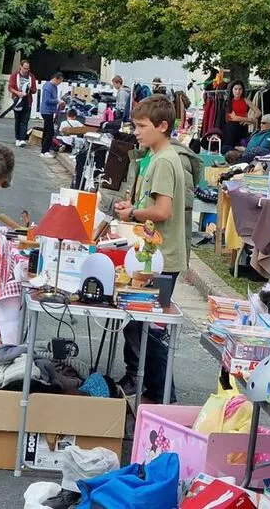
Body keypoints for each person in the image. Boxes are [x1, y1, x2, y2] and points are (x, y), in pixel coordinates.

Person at [114, 94, 185, 404]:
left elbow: (163, 211)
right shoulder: (156, 158)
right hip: (152, 255)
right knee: (137, 325)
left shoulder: (165, 160)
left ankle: (162, 395)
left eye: (142, 126)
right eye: (135, 126)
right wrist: (135, 207)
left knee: (148, 330)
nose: (137, 132)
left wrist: (132, 214)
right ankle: (143, 384)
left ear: (163, 126)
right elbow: (152, 205)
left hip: (160, 258)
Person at [222, 80, 261, 153]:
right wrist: (249, 119)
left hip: (243, 128)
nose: (238, 91)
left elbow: (258, 112)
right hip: (231, 129)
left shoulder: (246, 100)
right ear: (232, 90)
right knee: (230, 149)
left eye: (240, 89)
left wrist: (248, 120)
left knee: (242, 148)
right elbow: (232, 118)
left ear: (243, 90)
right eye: (236, 89)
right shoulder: (228, 101)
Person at [8, 60, 37, 147]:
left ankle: (22, 139)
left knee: (25, 120)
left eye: (28, 69)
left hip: (27, 101)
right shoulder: (15, 75)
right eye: (24, 68)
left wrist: (29, 90)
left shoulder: (31, 76)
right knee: (18, 120)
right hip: (17, 100)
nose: (26, 70)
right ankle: (17, 138)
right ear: (20, 66)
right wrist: (18, 93)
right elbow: (10, 87)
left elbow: (34, 90)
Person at [40, 73, 65, 158]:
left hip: (50, 111)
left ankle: (44, 149)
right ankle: (45, 150)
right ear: (56, 79)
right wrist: (57, 101)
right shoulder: (48, 87)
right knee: (50, 132)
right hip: (46, 111)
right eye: (59, 81)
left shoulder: (54, 87)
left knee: (46, 130)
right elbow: (47, 100)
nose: (59, 83)